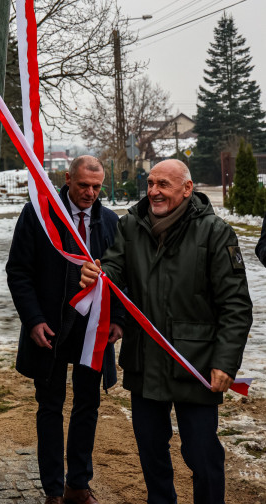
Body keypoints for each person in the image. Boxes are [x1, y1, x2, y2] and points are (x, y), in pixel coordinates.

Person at [80, 159, 253, 504]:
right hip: (145, 360)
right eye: (151, 183)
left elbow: (236, 306)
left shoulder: (215, 233)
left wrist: (225, 363)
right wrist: (99, 274)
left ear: (187, 189)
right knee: (151, 454)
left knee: (203, 456)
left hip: (197, 365)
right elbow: (116, 267)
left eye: (164, 185)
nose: (154, 191)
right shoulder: (130, 225)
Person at [6, 155, 123, 504]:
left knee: (87, 405)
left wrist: (117, 317)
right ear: (68, 178)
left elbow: (122, 274)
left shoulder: (111, 222)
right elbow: (19, 271)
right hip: (50, 328)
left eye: (97, 187)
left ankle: (77, 485)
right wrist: (33, 320)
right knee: (50, 406)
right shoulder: (38, 215)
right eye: (84, 185)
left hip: (93, 331)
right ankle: (53, 491)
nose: (90, 193)